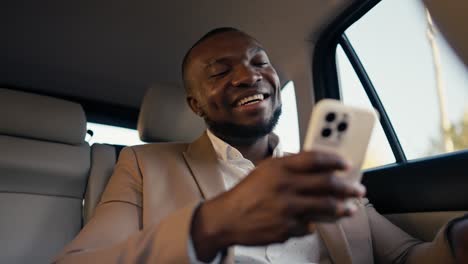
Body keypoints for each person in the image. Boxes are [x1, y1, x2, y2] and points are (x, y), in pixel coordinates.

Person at [55, 27, 467, 263]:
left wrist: (458, 241)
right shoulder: (144, 166)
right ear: (195, 104)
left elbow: (403, 257)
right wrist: (212, 225)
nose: (247, 77)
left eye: (259, 62)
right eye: (220, 72)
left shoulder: (321, 169)